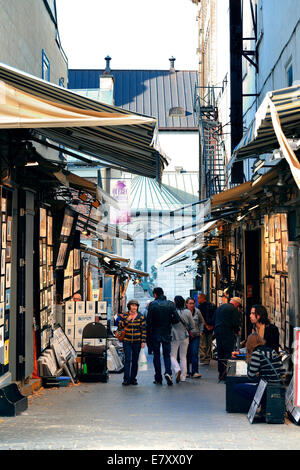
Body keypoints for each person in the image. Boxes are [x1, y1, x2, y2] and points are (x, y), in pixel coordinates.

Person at [234, 333, 284, 414]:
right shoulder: (272, 351)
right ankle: (264, 405)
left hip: (265, 390)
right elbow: (281, 370)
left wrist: (248, 361)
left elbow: (251, 376)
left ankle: (261, 403)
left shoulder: (256, 353)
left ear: (249, 344)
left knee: (237, 387)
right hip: (276, 389)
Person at [146, 287, 180, 386]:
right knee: (167, 355)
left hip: (155, 333)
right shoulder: (170, 304)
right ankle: (168, 372)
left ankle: (158, 378)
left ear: (155, 294)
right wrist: (169, 322)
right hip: (166, 332)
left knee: (156, 355)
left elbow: (149, 321)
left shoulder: (152, 305)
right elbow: (177, 319)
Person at [117, 299, 146, 386]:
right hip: (127, 341)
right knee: (128, 360)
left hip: (137, 341)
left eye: (135, 305)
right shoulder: (124, 315)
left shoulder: (141, 316)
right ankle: (126, 379)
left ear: (137, 307)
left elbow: (143, 329)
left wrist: (143, 341)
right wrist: (127, 320)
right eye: (132, 305)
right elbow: (119, 326)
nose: (134, 307)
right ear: (129, 306)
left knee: (134, 360)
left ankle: (133, 378)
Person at [214, 296, 242, 382]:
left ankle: (221, 373)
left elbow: (214, 318)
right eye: (238, 306)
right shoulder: (233, 309)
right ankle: (229, 374)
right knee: (229, 352)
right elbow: (235, 322)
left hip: (218, 331)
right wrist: (237, 331)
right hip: (227, 332)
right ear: (236, 304)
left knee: (220, 352)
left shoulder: (221, 307)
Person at [170, 296, 195, 383]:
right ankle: (183, 377)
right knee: (183, 356)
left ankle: (177, 369)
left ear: (175, 303)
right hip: (185, 336)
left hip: (174, 336)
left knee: (172, 355)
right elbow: (192, 325)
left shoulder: (172, 312)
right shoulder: (187, 312)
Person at [186, 297, 205, 378]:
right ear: (186, 304)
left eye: (193, 303)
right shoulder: (184, 312)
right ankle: (186, 372)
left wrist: (201, 331)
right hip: (186, 336)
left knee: (194, 353)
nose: (192, 305)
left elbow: (201, 322)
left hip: (196, 336)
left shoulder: (197, 311)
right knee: (187, 354)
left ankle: (195, 371)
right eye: (190, 303)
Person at [198, 293, 216, 366]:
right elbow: (215, 316)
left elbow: (201, 317)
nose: (198, 299)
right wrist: (212, 326)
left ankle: (203, 358)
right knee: (209, 343)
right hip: (211, 327)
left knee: (202, 344)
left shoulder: (200, 307)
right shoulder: (212, 305)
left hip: (203, 328)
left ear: (203, 298)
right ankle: (207, 358)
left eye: (199, 298)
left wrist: (206, 325)